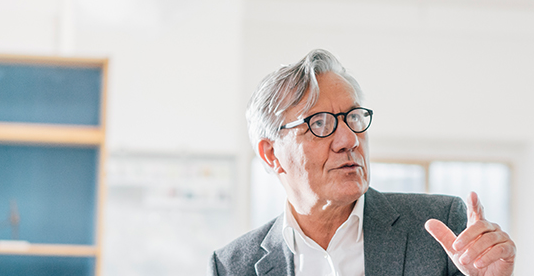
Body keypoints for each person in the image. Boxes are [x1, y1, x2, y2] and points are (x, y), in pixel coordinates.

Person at [211, 49, 515, 276]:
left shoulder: (438, 226)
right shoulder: (233, 266)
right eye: (320, 123)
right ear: (271, 154)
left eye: (354, 118)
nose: (349, 140)